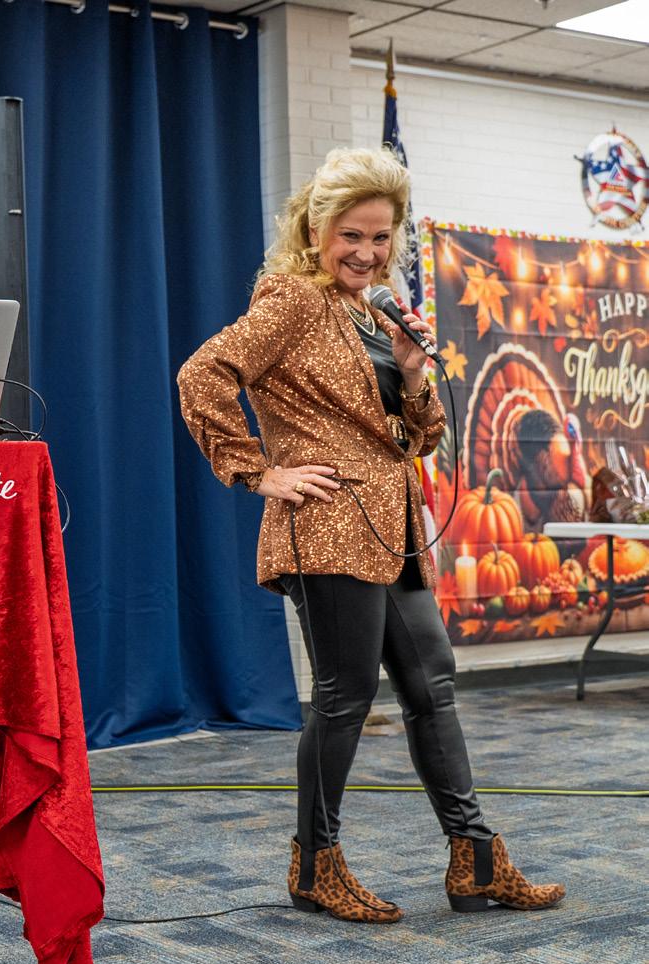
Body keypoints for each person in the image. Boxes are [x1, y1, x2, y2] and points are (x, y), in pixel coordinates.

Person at [177, 147, 565, 923]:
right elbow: (202, 374)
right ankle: (315, 865)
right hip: (328, 526)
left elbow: (419, 437)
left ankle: (475, 859)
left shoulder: (375, 311)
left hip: (393, 527)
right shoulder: (294, 298)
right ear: (315, 231)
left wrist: (413, 373)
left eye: (381, 236)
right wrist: (258, 472)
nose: (366, 252)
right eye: (351, 235)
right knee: (345, 696)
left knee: (432, 686)